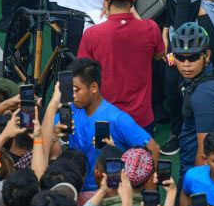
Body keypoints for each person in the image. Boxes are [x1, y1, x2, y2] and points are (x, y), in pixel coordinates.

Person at [48, 58, 159, 191]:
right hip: (76, 189)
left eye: (76, 90)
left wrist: (149, 192)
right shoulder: (70, 111)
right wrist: (54, 136)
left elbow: (153, 149)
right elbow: (47, 145)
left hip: (108, 193)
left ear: (94, 87)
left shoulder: (118, 119)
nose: (72, 95)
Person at [77, 0, 164, 129]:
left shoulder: (92, 34)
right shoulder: (151, 28)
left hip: (104, 119)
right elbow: (160, 55)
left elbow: (80, 74)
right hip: (141, 120)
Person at [171, 23, 214, 175]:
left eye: (193, 57)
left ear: (207, 55)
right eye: (180, 57)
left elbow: (206, 154)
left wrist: (195, 187)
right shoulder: (198, 78)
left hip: (195, 169)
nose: (186, 64)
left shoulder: (205, 95)